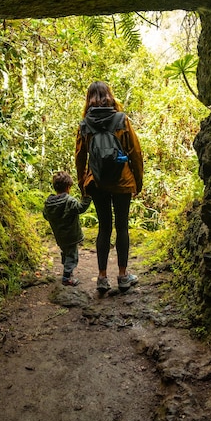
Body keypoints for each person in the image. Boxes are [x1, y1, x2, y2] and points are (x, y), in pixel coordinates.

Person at [75, 81, 143, 293]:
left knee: (104, 228)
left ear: (89, 100)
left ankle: (102, 278)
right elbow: (135, 153)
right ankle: (123, 276)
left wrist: (82, 185)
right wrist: (137, 182)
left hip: (97, 182)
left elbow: (80, 157)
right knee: (122, 227)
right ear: (109, 97)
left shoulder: (85, 124)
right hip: (122, 181)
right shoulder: (122, 120)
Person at [43, 170, 91, 286]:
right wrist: (87, 197)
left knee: (66, 253)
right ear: (68, 187)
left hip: (59, 236)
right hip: (71, 236)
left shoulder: (49, 203)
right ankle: (67, 277)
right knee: (72, 256)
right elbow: (81, 208)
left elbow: (45, 215)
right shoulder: (69, 201)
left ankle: (67, 271)